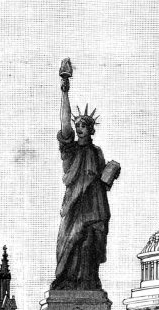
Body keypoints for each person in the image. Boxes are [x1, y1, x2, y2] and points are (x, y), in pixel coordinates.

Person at [51, 61, 119, 291]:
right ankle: (66, 279)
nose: (78, 128)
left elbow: (102, 181)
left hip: (95, 206)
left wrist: (110, 173)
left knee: (90, 245)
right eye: (77, 125)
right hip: (74, 205)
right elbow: (64, 123)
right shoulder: (70, 150)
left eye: (83, 126)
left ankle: (87, 280)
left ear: (91, 130)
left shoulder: (96, 152)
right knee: (68, 243)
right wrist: (65, 92)